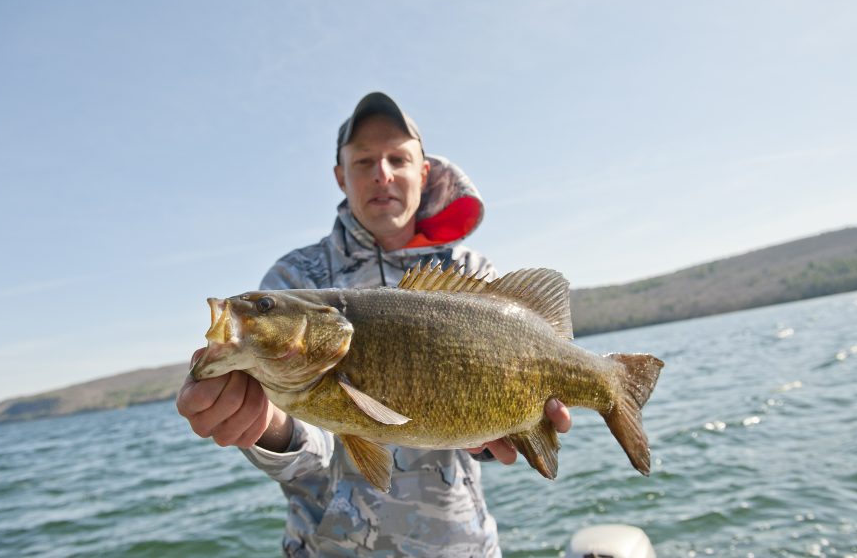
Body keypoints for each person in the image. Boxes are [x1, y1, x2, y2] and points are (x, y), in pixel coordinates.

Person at [176, 92, 572, 557]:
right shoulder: (294, 283)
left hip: (457, 546)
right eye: (363, 161)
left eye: (397, 159)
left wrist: (493, 437)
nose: (381, 173)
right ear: (340, 176)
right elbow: (312, 453)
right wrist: (266, 425)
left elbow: (489, 419)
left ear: (423, 172)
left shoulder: (471, 274)